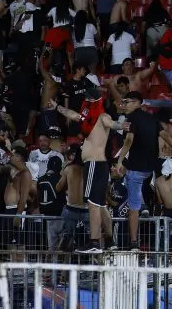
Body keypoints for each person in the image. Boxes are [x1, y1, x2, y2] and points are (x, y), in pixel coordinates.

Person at [47, 80, 126, 254]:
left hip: (95, 163)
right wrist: (57, 107)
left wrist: (123, 125)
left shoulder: (102, 116)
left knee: (92, 203)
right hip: (98, 164)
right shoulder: (89, 118)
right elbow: (73, 114)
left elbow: (112, 123)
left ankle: (95, 242)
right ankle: (100, 241)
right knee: (97, 204)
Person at [115, 92, 172, 251]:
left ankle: (134, 242)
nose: (125, 104)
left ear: (137, 103)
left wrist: (119, 160)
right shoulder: (154, 121)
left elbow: (129, 141)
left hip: (138, 169)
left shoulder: (133, 119)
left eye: (128, 101)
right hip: (154, 167)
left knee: (133, 206)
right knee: (155, 202)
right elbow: (169, 140)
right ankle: (158, 240)